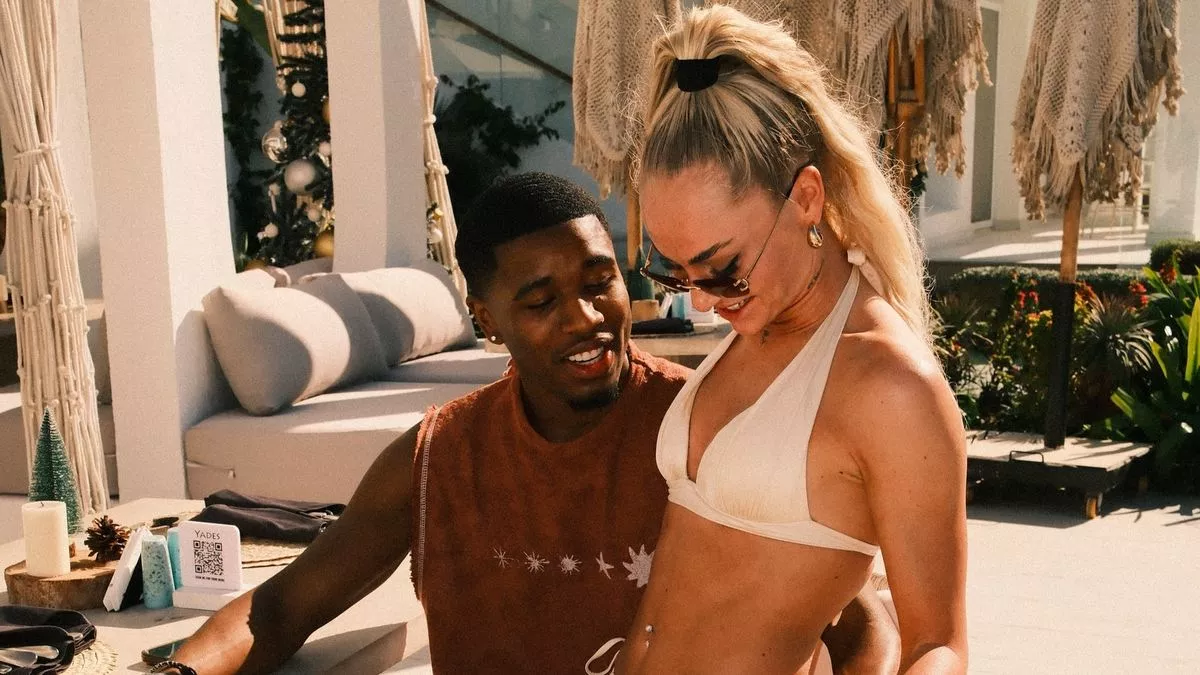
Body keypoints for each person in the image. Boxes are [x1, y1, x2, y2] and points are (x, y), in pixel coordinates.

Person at [157, 173, 898, 675]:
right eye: (541, 301)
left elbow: (861, 623)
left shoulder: (710, 427)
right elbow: (279, 608)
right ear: (487, 319)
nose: (585, 318)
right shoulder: (437, 458)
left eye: (600, 281)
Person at [603, 6, 969, 675]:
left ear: (805, 198)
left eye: (722, 267)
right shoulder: (759, 319)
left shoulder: (890, 384)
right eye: (675, 272)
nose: (703, 300)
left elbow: (937, 645)